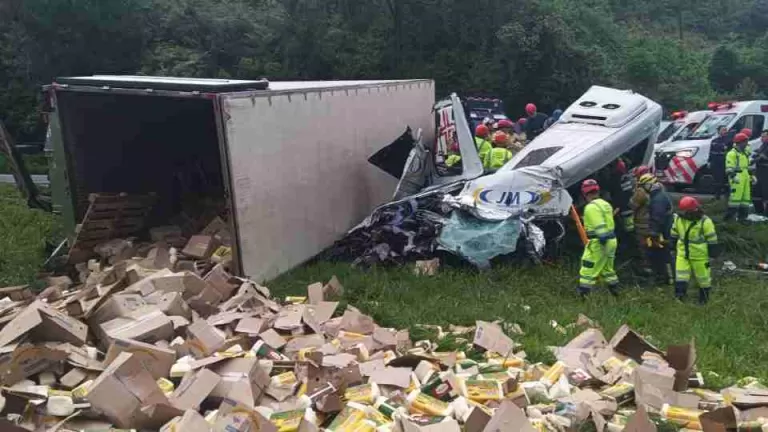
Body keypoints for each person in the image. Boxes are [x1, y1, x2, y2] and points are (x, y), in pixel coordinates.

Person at [670, 196, 720, 304]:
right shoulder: (678, 218)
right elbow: (674, 233)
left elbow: (712, 240)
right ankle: (680, 297)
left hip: (700, 256)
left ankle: (704, 299)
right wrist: (672, 247)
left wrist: (713, 255)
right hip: (683, 253)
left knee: (703, 278)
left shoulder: (705, 221)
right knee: (681, 275)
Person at [578, 179, 619, 296]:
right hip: (612, 240)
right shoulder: (605, 204)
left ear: (585, 193)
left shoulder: (590, 207)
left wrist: (601, 240)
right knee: (607, 268)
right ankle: (615, 292)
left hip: (600, 242)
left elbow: (600, 227)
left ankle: (583, 294)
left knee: (588, 266)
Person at [643, 174, 674, 285]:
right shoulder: (660, 194)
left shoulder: (658, 199)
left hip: (664, 230)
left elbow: (657, 217)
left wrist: (653, 232)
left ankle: (668, 278)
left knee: (663, 254)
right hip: (665, 228)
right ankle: (666, 277)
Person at [725, 132, 752, 222]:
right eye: (745, 142)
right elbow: (729, 168)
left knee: (745, 198)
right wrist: (733, 177)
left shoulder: (744, 153)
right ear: (740, 142)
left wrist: (751, 175)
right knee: (735, 198)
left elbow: (746, 167)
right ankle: (729, 218)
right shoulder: (732, 154)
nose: (746, 144)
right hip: (736, 177)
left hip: (745, 177)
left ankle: (742, 218)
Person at [709, 126, 730, 200]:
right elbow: (711, 152)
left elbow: (729, 151)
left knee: (724, 179)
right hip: (715, 162)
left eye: (725, 130)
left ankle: (726, 195)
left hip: (724, 162)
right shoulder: (714, 140)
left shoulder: (729, 141)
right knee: (716, 179)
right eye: (723, 130)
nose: (725, 131)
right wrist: (709, 161)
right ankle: (717, 195)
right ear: (718, 131)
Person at [754, 130, 768, 215]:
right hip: (759, 171)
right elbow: (759, 154)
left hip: (766, 172)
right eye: (761, 136)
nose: (762, 138)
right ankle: (760, 211)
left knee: (766, 191)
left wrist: (762, 157)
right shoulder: (763, 145)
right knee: (758, 191)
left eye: (764, 136)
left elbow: (763, 156)